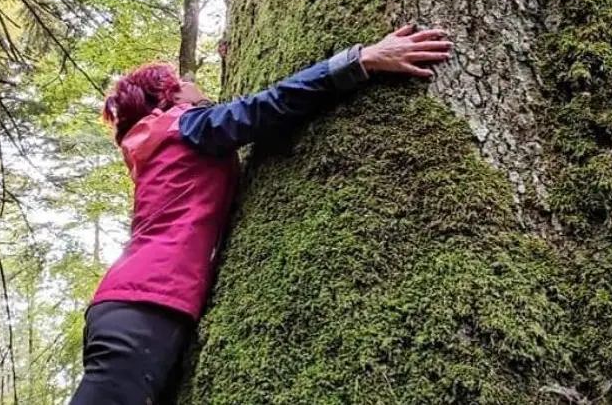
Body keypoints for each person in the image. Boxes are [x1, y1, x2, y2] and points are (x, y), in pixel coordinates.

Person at [69, 24, 453, 404]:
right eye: (181, 82)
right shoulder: (183, 127)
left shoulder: (160, 146)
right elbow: (268, 105)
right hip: (145, 303)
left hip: (131, 304)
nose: (192, 82)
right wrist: (362, 59)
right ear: (169, 98)